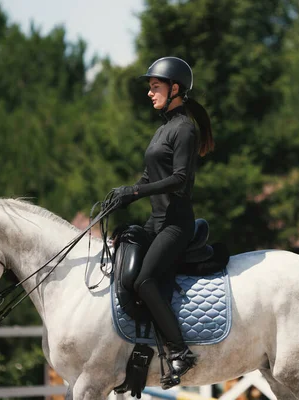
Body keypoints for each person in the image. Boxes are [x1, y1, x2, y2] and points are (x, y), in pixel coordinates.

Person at [112, 56, 214, 386]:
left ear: (175, 89)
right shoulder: (163, 128)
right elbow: (150, 174)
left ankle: (180, 351)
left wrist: (136, 192)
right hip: (156, 221)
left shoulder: (184, 128)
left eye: (155, 87)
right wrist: (123, 194)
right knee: (121, 249)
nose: (149, 93)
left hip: (176, 223)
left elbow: (179, 178)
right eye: (150, 88)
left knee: (145, 281)